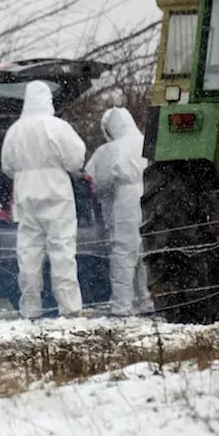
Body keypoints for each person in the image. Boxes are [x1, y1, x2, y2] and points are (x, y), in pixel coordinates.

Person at [0, 80, 87, 319]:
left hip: (25, 195)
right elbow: (75, 159)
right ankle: (69, 308)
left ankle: (30, 308)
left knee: (28, 254)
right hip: (57, 194)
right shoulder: (57, 127)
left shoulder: (15, 130)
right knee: (62, 251)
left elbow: (7, 165)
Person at [85, 107, 154, 316]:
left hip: (126, 199)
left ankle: (122, 305)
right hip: (151, 194)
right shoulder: (148, 142)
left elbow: (97, 183)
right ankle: (145, 300)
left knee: (123, 252)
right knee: (145, 252)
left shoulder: (110, 150)